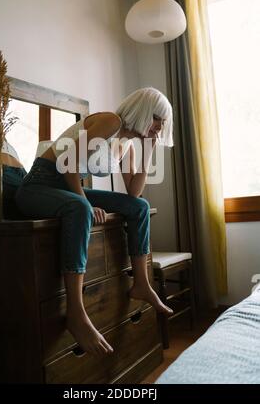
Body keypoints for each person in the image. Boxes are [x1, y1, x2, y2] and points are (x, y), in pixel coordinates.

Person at [15, 87, 174, 357]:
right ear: (143, 110)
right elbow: (67, 162)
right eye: (157, 118)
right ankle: (76, 313)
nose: (160, 127)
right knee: (80, 208)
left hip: (65, 188)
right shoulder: (110, 121)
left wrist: (147, 150)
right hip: (39, 185)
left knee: (140, 207)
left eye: (163, 122)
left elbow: (134, 193)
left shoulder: (129, 147)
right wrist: (86, 203)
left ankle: (141, 284)